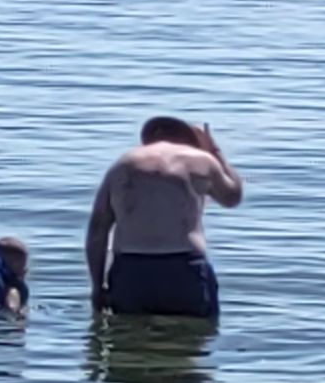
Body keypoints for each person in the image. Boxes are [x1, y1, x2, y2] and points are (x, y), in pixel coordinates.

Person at [85, 116, 243, 319]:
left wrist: (97, 286)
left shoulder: (122, 165)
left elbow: (98, 229)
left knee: (130, 337)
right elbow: (232, 197)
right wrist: (214, 151)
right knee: (191, 337)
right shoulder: (202, 160)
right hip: (184, 268)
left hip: (131, 271)